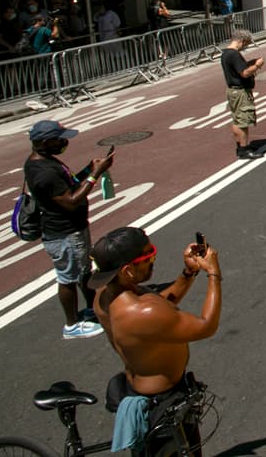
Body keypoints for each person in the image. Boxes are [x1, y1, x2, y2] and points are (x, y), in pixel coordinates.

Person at [89, 226, 220, 451]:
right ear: (128, 270)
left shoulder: (108, 295)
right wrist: (213, 273)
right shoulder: (141, 313)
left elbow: (160, 303)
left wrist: (189, 273)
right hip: (163, 402)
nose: (154, 260)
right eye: (149, 256)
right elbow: (206, 326)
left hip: (143, 390)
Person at [25, 120, 113, 340]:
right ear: (45, 142)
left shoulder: (45, 162)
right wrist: (96, 174)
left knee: (83, 271)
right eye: (59, 139)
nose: (64, 142)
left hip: (73, 228)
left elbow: (70, 184)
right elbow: (71, 200)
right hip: (64, 232)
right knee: (68, 278)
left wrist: (89, 170)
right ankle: (72, 324)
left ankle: (93, 307)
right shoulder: (43, 172)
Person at [221, 28, 264, 160]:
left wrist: (248, 63)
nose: (246, 46)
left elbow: (239, 68)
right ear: (241, 41)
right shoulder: (234, 54)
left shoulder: (225, 54)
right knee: (243, 121)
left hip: (232, 91)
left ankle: (241, 146)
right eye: (247, 43)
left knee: (237, 119)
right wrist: (257, 65)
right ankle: (244, 149)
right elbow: (244, 73)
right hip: (240, 92)